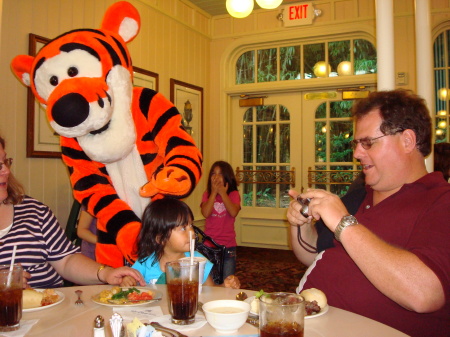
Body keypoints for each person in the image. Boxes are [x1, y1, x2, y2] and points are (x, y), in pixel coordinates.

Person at [287, 89, 449, 337]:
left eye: (368, 143)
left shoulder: (440, 201)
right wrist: (299, 224)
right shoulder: (359, 196)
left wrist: (343, 224)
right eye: (356, 143)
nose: (356, 154)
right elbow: (312, 255)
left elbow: (424, 295)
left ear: (407, 140)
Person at [0, 135, 145, 289]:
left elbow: (66, 260)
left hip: (49, 308)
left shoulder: (35, 211)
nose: (6, 171)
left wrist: (105, 273)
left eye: (5, 162)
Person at [121, 198, 240, 289]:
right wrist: (128, 280)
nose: (192, 232)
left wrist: (225, 287)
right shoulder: (145, 263)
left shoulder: (198, 261)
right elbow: (131, 282)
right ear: (160, 238)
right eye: (183, 228)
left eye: (191, 226)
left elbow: (211, 292)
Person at [200, 161, 241, 280]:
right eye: (213, 173)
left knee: (227, 279)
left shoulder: (233, 194)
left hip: (228, 246)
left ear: (227, 177)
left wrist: (223, 193)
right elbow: (205, 213)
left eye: (220, 174)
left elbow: (233, 212)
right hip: (209, 245)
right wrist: (213, 193)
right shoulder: (207, 194)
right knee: (210, 279)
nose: (216, 177)